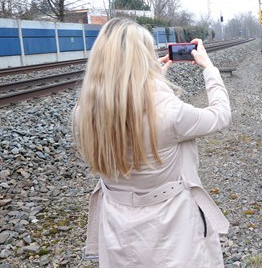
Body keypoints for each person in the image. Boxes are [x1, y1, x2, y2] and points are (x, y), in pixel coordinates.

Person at [73, 18, 231, 267]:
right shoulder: (170, 112)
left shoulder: (85, 110)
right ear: (142, 57)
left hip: (116, 226)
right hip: (170, 227)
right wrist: (209, 68)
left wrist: (150, 81)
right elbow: (220, 115)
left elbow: (125, 105)